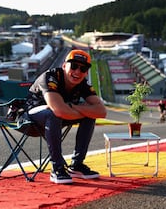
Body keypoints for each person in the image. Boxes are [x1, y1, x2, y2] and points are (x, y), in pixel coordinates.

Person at [25, 49, 107, 184]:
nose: (77, 72)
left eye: (83, 69)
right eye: (73, 66)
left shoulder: (83, 83)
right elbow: (59, 110)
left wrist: (74, 107)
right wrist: (83, 109)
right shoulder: (50, 77)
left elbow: (101, 112)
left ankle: (76, 165)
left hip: (57, 118)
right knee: (53, 113)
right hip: (31, 116)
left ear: (86, 72)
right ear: (64, 66)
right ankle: (57, 167)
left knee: (90, 116)